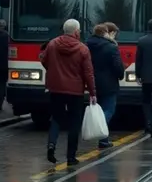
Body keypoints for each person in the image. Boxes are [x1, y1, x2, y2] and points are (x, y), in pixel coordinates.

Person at [40, 19, 96, 165]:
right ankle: (71, 157)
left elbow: (44, 60)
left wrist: (54, 73)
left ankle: (51, 145)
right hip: (75, 91)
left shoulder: (52, 44)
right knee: (74, 122)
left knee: (56, 118)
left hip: (55, 88)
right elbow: (88, 73)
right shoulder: (83, 49)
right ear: (76, 32)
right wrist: (92, 92)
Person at [87, 23, 125, 149]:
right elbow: (118, 67)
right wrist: (120, 75)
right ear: (108, 33)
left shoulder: (87, 45)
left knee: (99, 109)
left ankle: (104, 140)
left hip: (92, 82)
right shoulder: (111, 47)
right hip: (109, 84)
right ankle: (101, 134)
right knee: (108, 110)